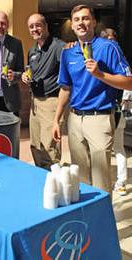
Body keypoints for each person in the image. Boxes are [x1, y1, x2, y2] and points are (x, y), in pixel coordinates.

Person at [52, 5, 132, 194]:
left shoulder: (108, 47)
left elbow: (129, 82)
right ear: (72, 26)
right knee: (80, 178)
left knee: (101, 181)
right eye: (77, 19)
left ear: (94, 23)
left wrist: (100, 74)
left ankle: (103, 223)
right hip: (74, 120)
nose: (81, 23)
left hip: (99, 118)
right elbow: (65, 88)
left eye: (86, 18)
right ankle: (85, 221)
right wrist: (56, 120)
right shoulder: (68, 52)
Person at [21, 13, 65, 170]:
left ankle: (55, 182)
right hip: (35, 103)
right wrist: (26, 76)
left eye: (37, 25)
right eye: (31, 27)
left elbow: (68, 73)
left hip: (51, 102)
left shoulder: (59, 46)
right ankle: (42, 177)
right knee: (35, 145)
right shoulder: (32, 50)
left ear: (46, 26)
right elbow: (30, 71)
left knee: (50, 147)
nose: (34, 29)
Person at [100, 28, 132, 195]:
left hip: (117, 109)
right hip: (101, 111)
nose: (113, 44)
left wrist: (125, 100)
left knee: (118, 147)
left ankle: (120, 182)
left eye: (114, 40)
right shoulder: (100, 59)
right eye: (109, 40)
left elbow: (128, 82)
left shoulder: (120, 59)